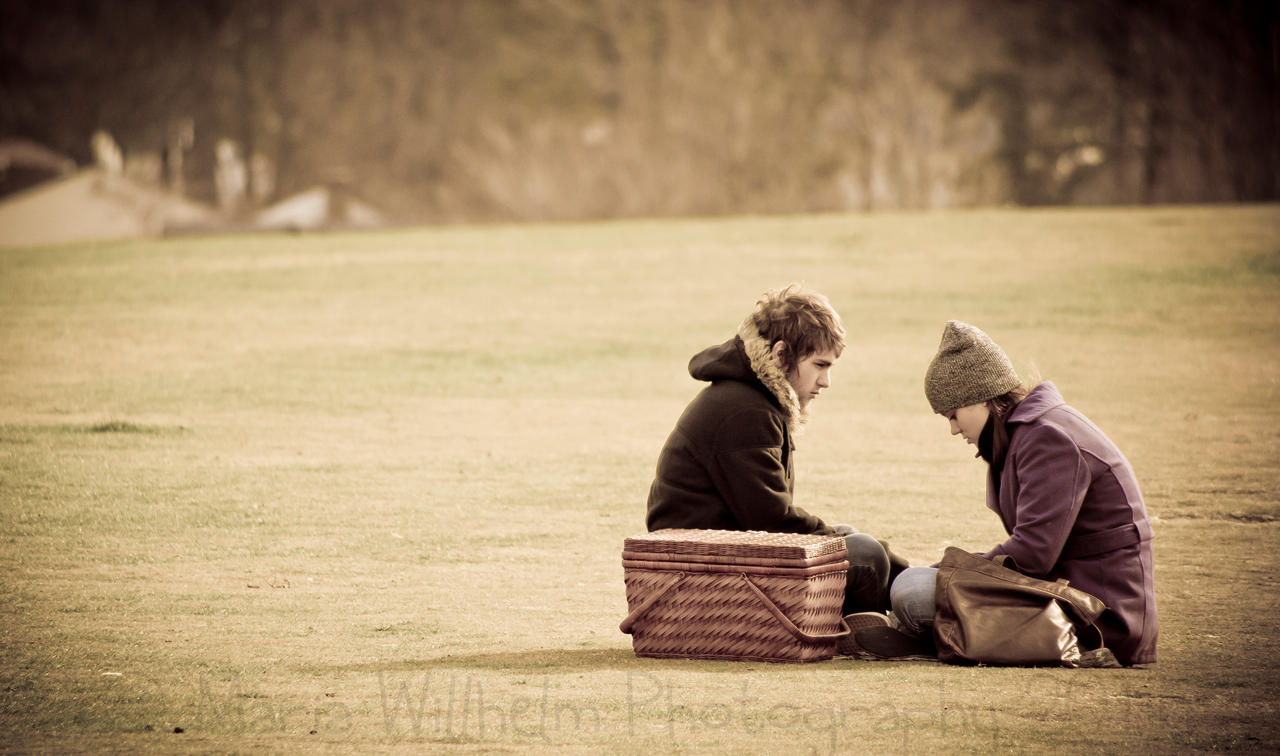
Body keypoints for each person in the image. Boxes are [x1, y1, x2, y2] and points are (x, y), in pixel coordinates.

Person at [872, 320, 1157, 665]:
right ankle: (937, 636)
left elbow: (1033, 554)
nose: (953, 429)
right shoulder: (1031, 433)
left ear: (982, 399)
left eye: (954, 414)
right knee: (917, 583)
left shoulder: (1047, 438)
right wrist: (944, 572)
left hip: (1098, 618)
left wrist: (948, 574)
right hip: (1070, 596)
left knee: (914, 591)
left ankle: (933, 637)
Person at [646, 285, 907, 618]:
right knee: (864, 552)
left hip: (723, 552)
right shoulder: (745, 411)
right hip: (704, 570)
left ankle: (922, 590)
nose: (825, 381)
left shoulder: (753, 399)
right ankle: (862, 636)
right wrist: (866, 549)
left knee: (854, 540)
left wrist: (897, 565)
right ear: (782, 355)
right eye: (819, 365)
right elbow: (773, 521)